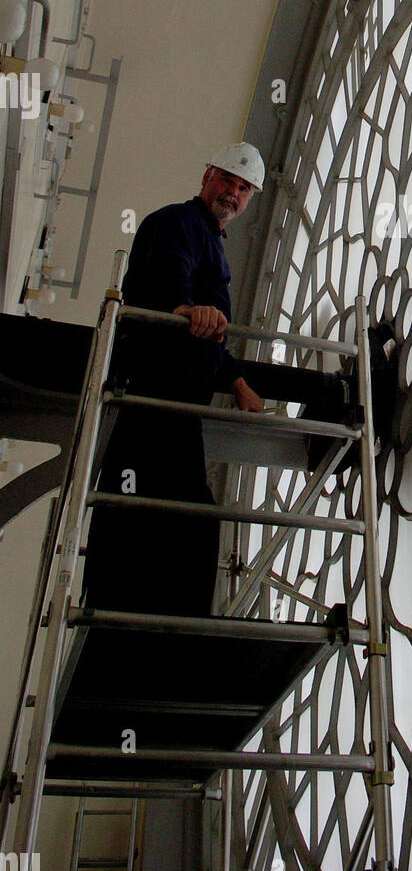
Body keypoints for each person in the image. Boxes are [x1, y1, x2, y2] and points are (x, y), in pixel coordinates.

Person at [82, 143, 270, 618]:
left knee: (188, 517)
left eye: (244, 187)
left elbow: (213, 333)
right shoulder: (176, 223)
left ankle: (168, 626)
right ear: (207, 176)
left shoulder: (213, 243)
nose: (233, 191)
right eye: (227, 179)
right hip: (149, 394)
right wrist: (182, 309)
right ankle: (114, 619)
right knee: (137, 504)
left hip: (177, 404)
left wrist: (236, 381)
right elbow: (170, 277)